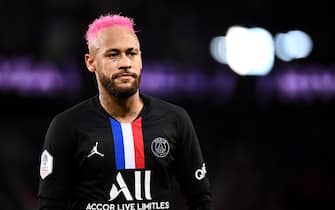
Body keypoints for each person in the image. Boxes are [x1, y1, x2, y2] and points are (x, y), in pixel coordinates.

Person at [37, 13, 212, 210]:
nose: (125, 63)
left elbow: (200, 199)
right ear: (90, 62)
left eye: (132, 53)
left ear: (141, 58)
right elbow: (49, 205)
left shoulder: (175, 120)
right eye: (113, 54)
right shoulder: (66, 126)